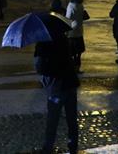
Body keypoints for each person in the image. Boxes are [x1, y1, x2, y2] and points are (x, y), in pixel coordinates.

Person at [34, 22, 79, 154]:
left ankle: (48, 147)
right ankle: (73, 145)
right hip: (70, 83)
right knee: (71, 118)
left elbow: (40, 66)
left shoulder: (43, 43)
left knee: (53, 119)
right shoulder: (65, 40)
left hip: (56, 86)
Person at [65, 0, 86, 73]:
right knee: (78, 52)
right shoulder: (81, 5)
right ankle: (77, 68)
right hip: (79, 31)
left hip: (72, 31)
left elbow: (68, 18)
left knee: (72, 52)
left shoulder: (71, 6)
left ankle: (72, 68)